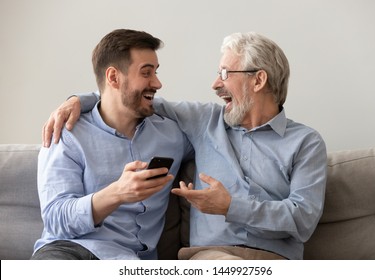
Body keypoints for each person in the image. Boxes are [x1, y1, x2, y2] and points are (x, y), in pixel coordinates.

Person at [42, 32, 327, 260]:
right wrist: (77, 100)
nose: (216, 84)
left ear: (259, 79)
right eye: (219, 73)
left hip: (277, 260)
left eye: (226, 73)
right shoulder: (203, 121)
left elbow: (303, 221)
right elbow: (126, 97)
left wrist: (232, 207)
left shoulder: (305, 142)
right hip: (213, 258)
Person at [31, 29, 193, 260]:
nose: (157, 83)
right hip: (69, 252)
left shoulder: (173, 135)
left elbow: (225, 136)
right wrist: (117, 193)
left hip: (130, 262)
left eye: (155, 72)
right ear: (114, 77)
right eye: (146, 73)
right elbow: (56, 220)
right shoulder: (67, 132)